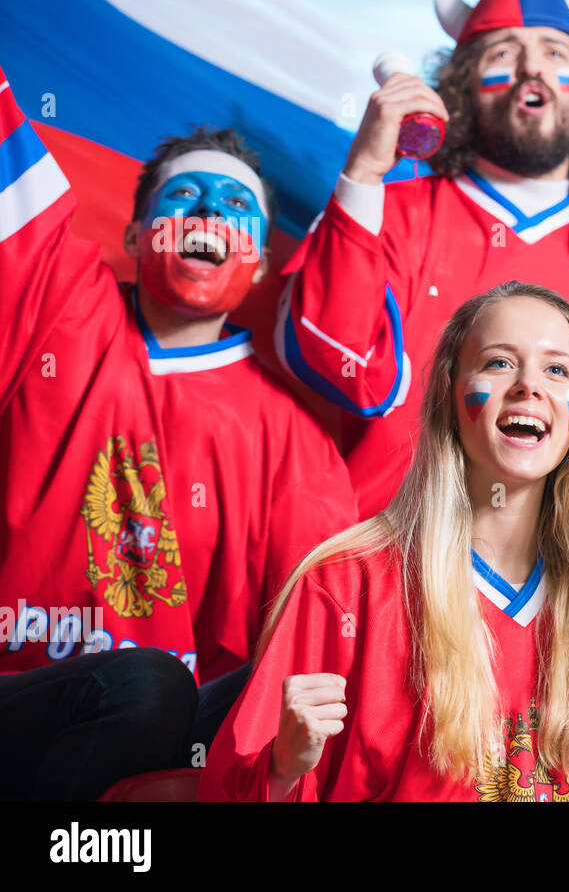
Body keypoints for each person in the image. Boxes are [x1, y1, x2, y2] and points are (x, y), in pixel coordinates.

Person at [0, 68, 357, 798]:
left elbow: (319, 634)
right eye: (183, 197)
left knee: (285, 682)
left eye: (235, 206)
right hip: (19, 693)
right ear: (134, 232)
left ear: (258, 264)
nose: (206, 215)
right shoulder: (58, 303)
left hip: (173, 727)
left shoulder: (292, 437)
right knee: (150, 684)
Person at [200, 282, 569, 801]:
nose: (530, 385)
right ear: (448, 394)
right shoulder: (346, 586)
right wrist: (281, 770)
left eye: (556, 369)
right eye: (499, 363)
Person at [277, 0, 569, 519]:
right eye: (505, 53)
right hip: (388, 569)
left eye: (555, 54)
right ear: (461, 92)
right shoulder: (378, 213)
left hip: (557, 594)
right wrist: (361, 174)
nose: (533, 70)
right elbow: (334, 362)